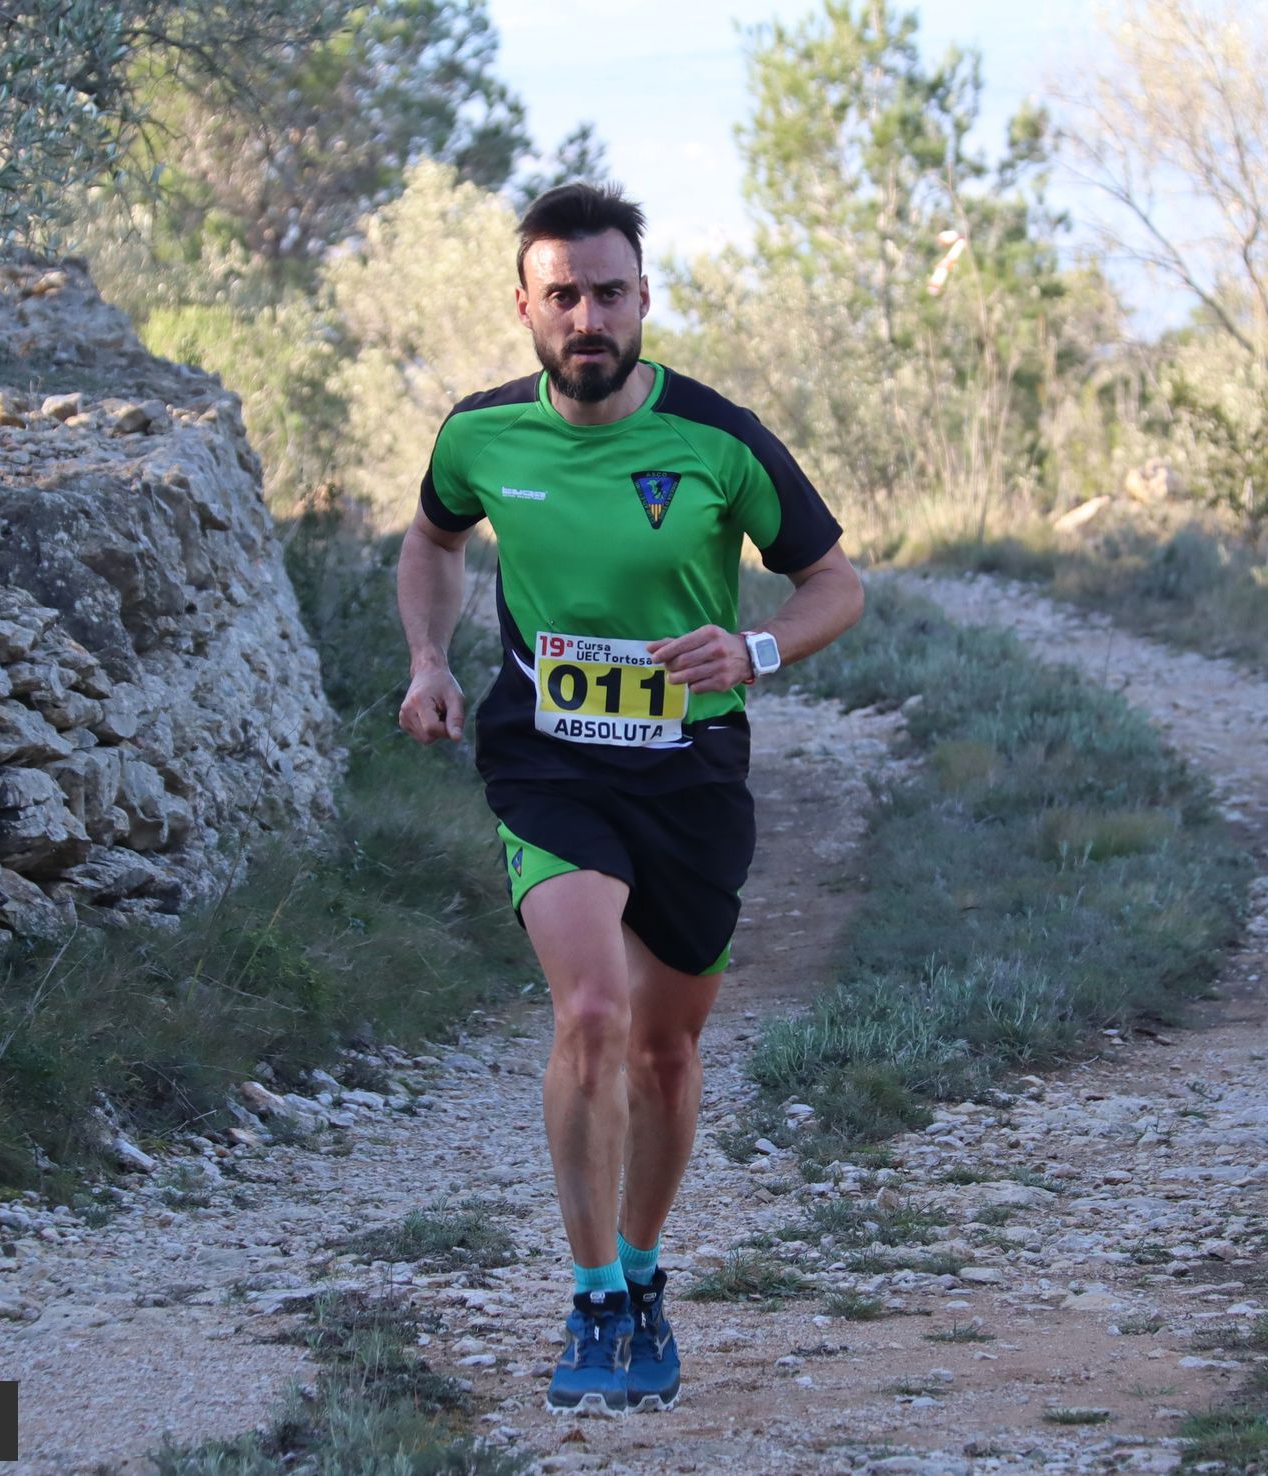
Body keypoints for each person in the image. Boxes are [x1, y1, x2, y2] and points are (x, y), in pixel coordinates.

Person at [395, 181, 863, 1416]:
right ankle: (593, 1295)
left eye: (608, 292)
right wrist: (430, 660)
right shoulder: (480, 435)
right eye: (563, 295)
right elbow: (433, 540)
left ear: (643, 297)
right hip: (548, 761)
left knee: (665, 1048)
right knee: (593, 1009)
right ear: (525, 308)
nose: (587, 317)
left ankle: (646, 1272)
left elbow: (833, 584)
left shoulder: (719, 439)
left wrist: (753, 650)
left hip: (690, 772)